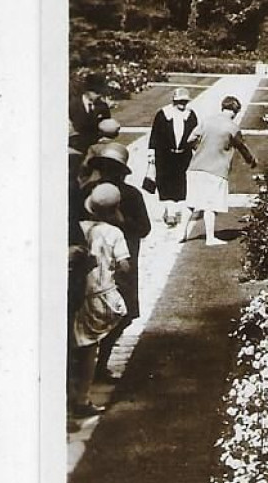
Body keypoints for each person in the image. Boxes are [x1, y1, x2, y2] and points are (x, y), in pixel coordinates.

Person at [82, 142, 152, 376]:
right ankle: (87, 366)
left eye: (113, 168)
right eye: (104, 167)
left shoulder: (131, 195)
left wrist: (121, 222)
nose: (108, 173)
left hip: (124, 261)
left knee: (125, 313)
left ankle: (101, 362)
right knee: (88, 312)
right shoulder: (87, 191)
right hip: (92, 262)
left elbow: (144, 228)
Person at [69, 184, 131, 420]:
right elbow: (124, 265)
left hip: (77, 292)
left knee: (77, 342)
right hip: (100, 293)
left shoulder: (80, 228)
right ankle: (82, 399)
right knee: (90, 346)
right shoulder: (114, 233)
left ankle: (75, 392)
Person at [182, 94, 256, 246]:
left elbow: (190, 140)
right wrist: (251, 160)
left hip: (195, 167)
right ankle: (210, 238)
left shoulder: (207, 121)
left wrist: (200, 149)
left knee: (192, 203)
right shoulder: (232, 127)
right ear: (235, 112)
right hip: (216, 169)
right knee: (210, 205)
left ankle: (182, 235)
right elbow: (242, 147)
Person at [147, 87, 198, 227]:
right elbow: (155, 135)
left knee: (180, 183)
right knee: (165, 183)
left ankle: (175, 210)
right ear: (174, 101)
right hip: (165, 155)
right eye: (179, 101)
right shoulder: (163, 114)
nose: (182, 104)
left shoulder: (190, 115)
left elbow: (195, 135)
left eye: (184, 101)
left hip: (183, 155)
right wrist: (151, 154)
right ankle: (170, 212)